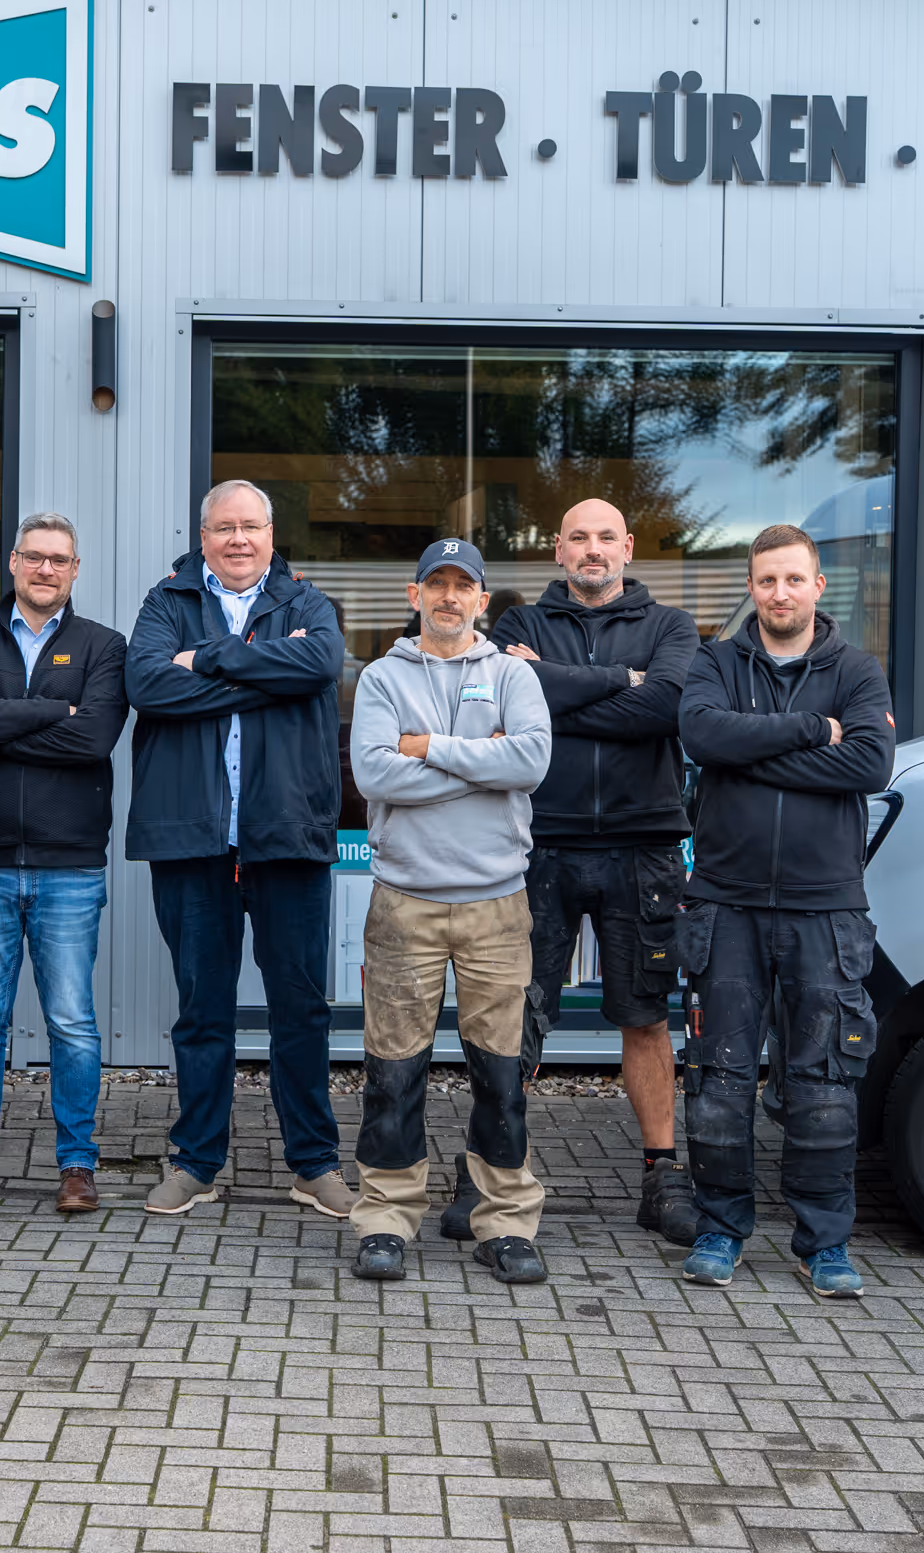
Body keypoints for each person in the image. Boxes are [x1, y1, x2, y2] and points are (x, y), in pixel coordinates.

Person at [674, 524, 895, 1299]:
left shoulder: (856, 670)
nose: (779, 594)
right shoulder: (715, 660)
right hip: (725, 904)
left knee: (825, 1083)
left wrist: (753, 749)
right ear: (752, 585)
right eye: (766, 581)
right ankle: (718, 1228)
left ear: (817, 585)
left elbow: (868, 762)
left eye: (792, 580)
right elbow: (702, 733)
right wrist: (809, 733)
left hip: (824, 911)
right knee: (718, 1082)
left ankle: (824, 1242)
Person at [125, 479, 350, 1217]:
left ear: (272, 531)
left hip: (286, 836)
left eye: (251, 525)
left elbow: (318, 667)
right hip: (194, 840)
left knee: (301, 1008)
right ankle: (196, 1160)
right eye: (223, 527)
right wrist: (260, 669)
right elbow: (150, 686)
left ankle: (314, 1163)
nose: (238, 539)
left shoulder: (306, 603)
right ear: (203, 537)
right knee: (201, 1009)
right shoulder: (166, 603)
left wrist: (206, 661)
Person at [486, 499, 701, 1246]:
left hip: (643, 847)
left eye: (606, 537)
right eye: (578, 536)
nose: (592, 548)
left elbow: (666, 707)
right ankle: (496, 1170)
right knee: (516, 1012)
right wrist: (620, 680)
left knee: (643, 1015)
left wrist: (561, 689)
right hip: (538, 842)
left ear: (628, 548)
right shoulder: (516, 625)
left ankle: (661, 1175)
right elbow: (513, 709)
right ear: (557, 548)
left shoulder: (671, 627)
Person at [346, 540, 554, 1285]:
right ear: (414, 593)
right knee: (393, 1070)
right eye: (436, 582)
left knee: (501, 1072)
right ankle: (384, 1217)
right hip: (405, 900)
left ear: (482, 600)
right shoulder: (380, 676)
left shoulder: (509, 673)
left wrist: (427, 749)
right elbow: (372, 770)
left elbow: (529, 762)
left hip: (498, 902)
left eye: (462, 585)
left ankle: (505, 1220)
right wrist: (477, 759)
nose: (448, 596)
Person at [0, 513, 129, 1215]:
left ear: (76, 569)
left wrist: (2, 718)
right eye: (33, 557)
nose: (45, 570)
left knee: (71, 1020)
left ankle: (77, 1163)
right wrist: (50, 710)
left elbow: (93, 738)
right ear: (12, 564)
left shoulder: (104, 645)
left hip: (70, 864)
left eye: (58, 560)